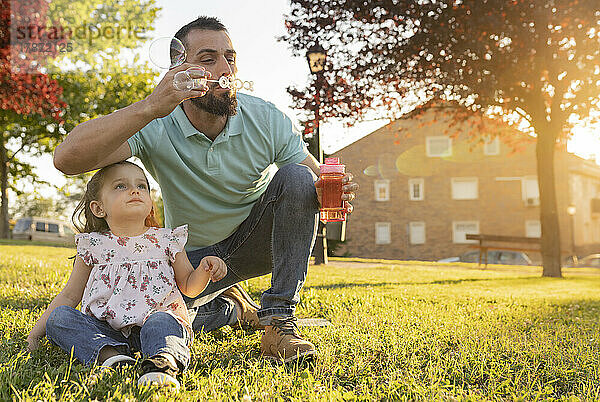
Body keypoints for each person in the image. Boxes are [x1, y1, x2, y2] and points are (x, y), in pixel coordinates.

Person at [53, 16, 359, 363]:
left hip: (256, 244)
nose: (224, 67)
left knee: (298, 177)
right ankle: (229, 307)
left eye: (230, 56)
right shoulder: (155, 121)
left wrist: (329, 189)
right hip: (193, 262)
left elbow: (311, 180)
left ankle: (277, 321)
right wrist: (151, 106)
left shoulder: (266, 117)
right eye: (208, 58)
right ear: (178, 68)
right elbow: (67, 159)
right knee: (150, 327)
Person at [26, 161, 228, 390]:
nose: (135, 190)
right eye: (121, 186)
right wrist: (35, 334)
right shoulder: (93, 245)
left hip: (156, 323)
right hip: (105, 329)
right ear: (99, 208)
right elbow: (70, 295)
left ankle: (163, 364)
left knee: (163, 320)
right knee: (61, 318)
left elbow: (189, 287)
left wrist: (203, 270)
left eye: (142, 186)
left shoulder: (166, 240)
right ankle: (112, 357)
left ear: (150, 203)